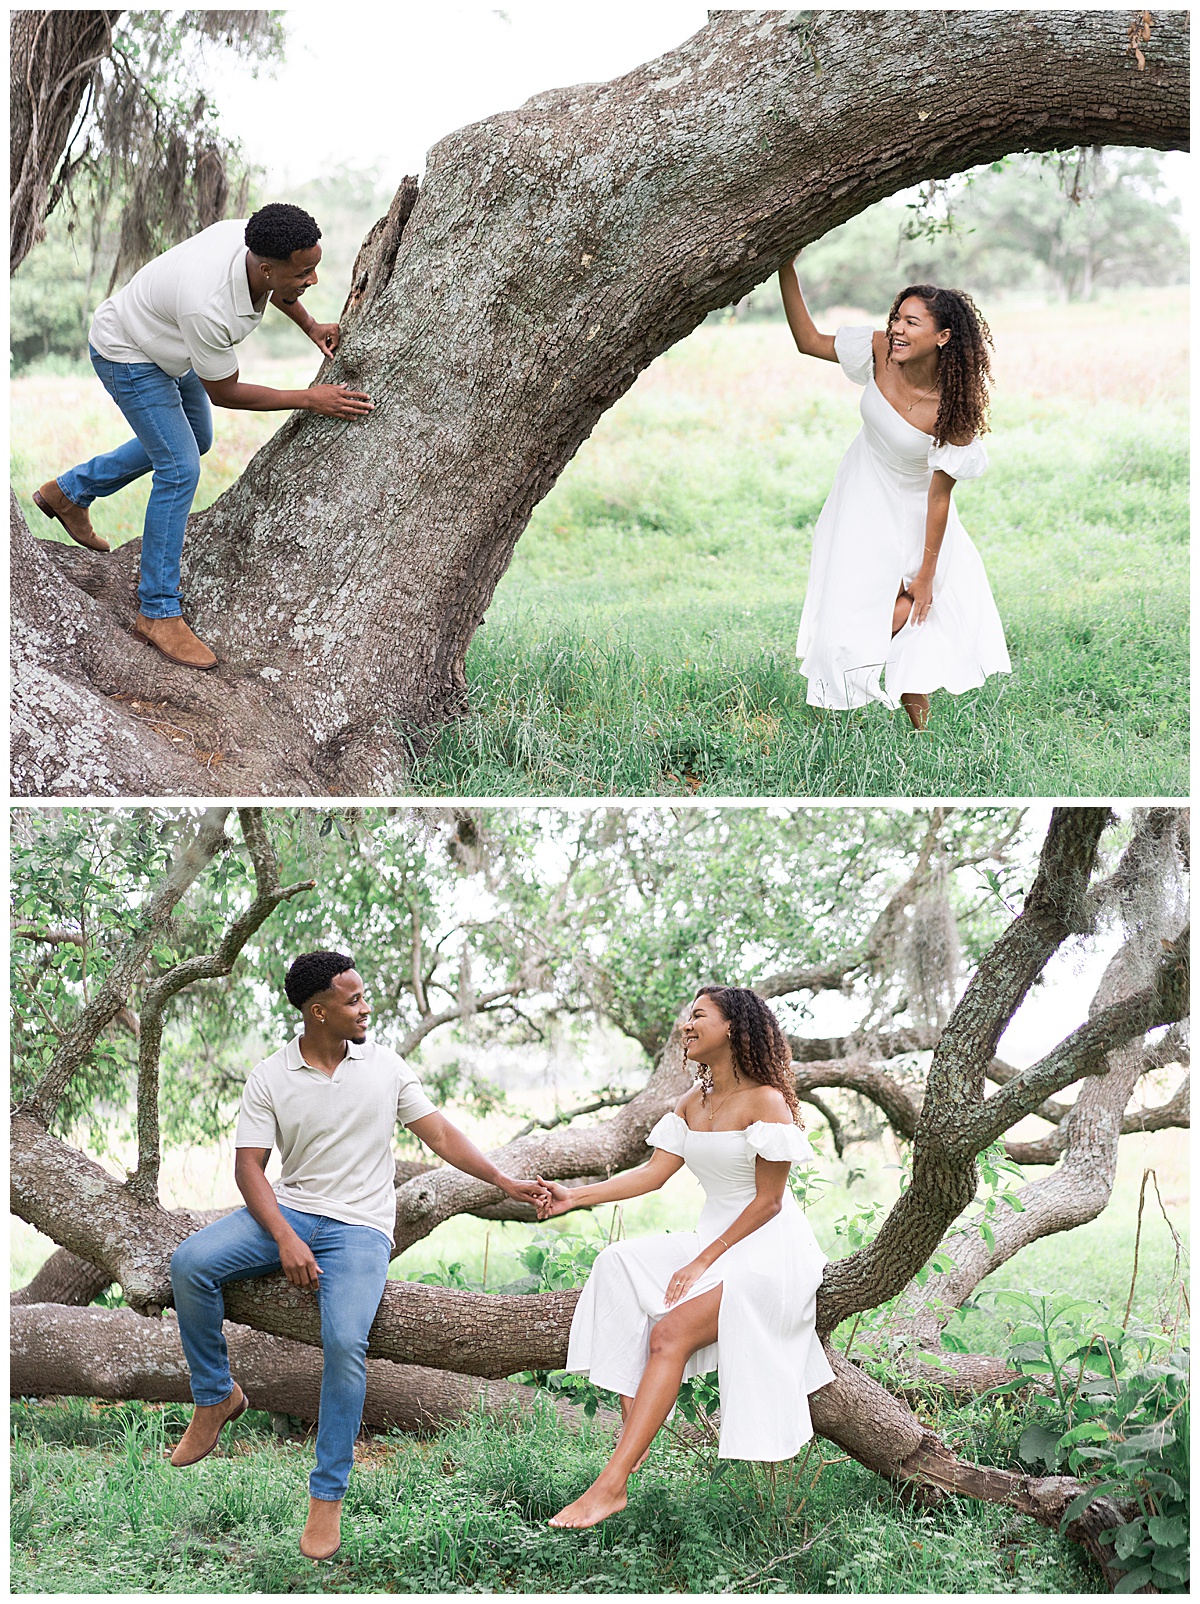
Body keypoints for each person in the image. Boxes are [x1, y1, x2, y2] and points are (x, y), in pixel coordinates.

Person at [168, 950, 548, 1562]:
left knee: (345, 1342)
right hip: (288, 1212)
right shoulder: (270, 1075)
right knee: (189, 1264)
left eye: (364, 996)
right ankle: (216, 1395)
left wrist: (503, 1182)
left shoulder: (386, 1067)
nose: (366, 1008)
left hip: (360, 1228)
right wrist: (286, 1239)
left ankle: (326, 1497)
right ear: (318, 1011)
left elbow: (443, 1136)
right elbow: (249, 1169)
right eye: (353, 1000)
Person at [534, 984, 834, 1530]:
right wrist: (573, 1195)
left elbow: (768, 1203)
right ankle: (637, 1437)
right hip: (713, 1238)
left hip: (770, 1250)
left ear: (734, 1028)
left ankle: (612, 1484)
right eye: (686, 1017)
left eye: (699, 1016)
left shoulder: (766, 1101)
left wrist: (702, 1262)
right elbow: (651, 1175)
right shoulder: (690, 1103)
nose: (685, 1026)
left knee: (668, 1334)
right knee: (618, 1265)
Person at [33, 204, 374, 670]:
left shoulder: (256, 242)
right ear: (268, 265)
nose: (313, 279)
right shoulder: (210, 306)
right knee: (181, 466)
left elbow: (278, 287)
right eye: (306, 271)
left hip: (169, 342)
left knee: (194, 440)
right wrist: (311, 398)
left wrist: (312, 326)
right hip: (127, 352)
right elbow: (226, 391)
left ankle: (70, 492)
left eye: (314, 266)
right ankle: (157, 611)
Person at [779, 260, 1010, 729]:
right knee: (845, 608)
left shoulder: (953, 410)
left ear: (943, 336)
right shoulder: (880, 350)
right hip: (859, 500)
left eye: (912, 322)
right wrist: (785, 266)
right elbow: (808, 342)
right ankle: (842, 717)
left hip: (913, 516)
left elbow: (939, 498)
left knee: (917, 621)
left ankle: (920, 736)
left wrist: (925, 575)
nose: (897, 329)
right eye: (896, 318)